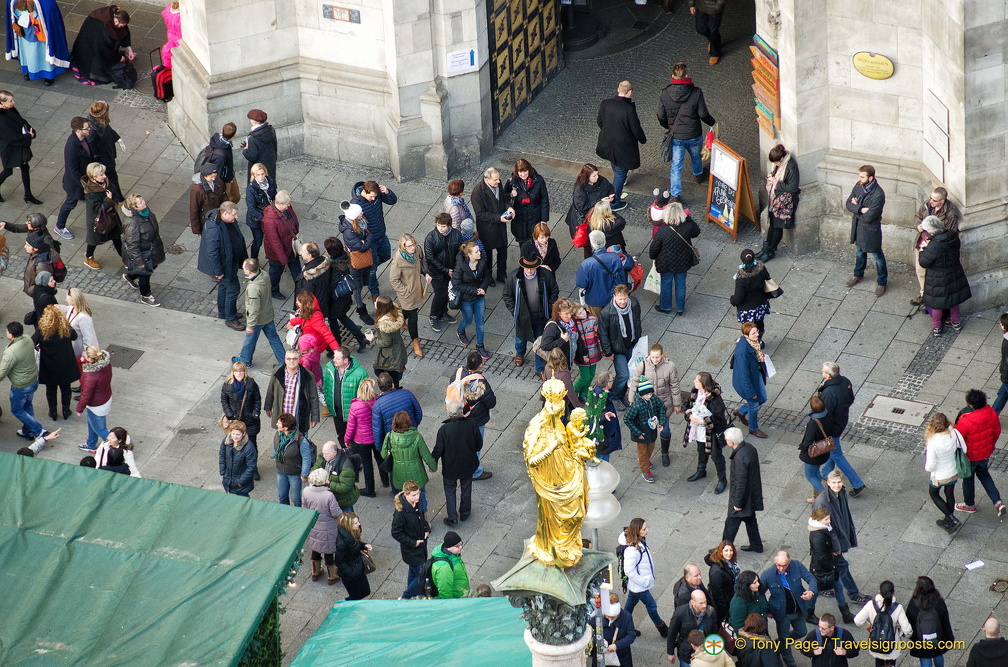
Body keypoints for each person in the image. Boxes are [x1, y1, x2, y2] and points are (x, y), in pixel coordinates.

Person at [811, 471, 871, 620]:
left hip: (834, 540)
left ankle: (820, 595)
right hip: (828, 544)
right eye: (834, 482)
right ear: (828, 483)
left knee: (829, 572)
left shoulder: (839, 494)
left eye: (839, 482)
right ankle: (853, 594)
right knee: (840, 567)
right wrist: (836, 547)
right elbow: (823, 527)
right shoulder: (823, 501)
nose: (837, 485)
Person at [657, 62, 717, 201]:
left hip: (676, 135)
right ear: (686, 76)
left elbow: (660, 115)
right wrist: (712, 123)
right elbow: (703, 114)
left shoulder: (665, 93)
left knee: (676, 166)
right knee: (696, 156)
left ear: (672, 76)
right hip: (694, 133)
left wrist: (669, 126)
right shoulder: (696, 92)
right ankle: (698, 175)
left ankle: (675, 195)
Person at [595, 80, 647, 211]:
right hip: (623, 148)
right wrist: (643, 139)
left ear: (618, 89)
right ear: (630, 92)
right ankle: (614, 203)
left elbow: (599, 121)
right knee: (620, 172)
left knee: (615, 164)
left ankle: (619, 183)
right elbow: (636, 129)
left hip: (607, 144)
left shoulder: (605, 103)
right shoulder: (629, 109)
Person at [198, 202, 248, 329]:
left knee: (224, 287)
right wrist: (218, 271)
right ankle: (230, 318)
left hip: (230, 261)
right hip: (225, 265)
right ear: (224, 213)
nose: (236, 217)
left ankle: (223, 311)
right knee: (233, 289)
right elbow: (212, 253)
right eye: (234, 214)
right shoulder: (213, 228)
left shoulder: (226, 221)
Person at [954, 389, 1005, 516]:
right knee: (984, 476)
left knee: (968, 479)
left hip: (970, 456)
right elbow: (996, 432)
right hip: (985, 454)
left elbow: (956, 439)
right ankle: (998, 502)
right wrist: (990, 446)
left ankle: (969, 505)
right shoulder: (992, 413)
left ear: (970, 404)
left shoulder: (965, 420)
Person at [629, 344, 682, 465]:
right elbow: (635, 381)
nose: (655, 360)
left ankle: (664, 453)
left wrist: (677, 404)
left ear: (662, 355)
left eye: (657, 357)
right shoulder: (643, 365)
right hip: (647, 405)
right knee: (647, 431)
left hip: (664, 404)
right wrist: (631, 398)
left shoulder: (670, 366)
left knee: (665, 431)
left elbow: (675, 386)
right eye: (653, 357)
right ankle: (645, 456)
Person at [816, 362, 864, 495]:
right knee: (832, 451)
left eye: (823, 371)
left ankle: (857, 484)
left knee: (836, 454)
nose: (821, 371)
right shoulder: (845, 382)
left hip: (832, 428)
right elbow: (851, 399)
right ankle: (825, 473)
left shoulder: (829, 393)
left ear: (829, 376)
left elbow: (826, 414)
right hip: (841, 421)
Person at [918, 215, 971, 336]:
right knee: (953, 300)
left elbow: (924, 262)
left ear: (930, 231)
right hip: (954, 272)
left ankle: (937, 328)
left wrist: (923, 252)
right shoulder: (953, 235)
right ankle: (956, 322)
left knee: (936, 304)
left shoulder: (934, 245)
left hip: (937, 276)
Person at [504, 254, 558, 373]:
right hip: (522, 315)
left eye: (532, 268)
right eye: (527, 268)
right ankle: (519, 354)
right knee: (520, 338)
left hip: (540, 315)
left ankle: (539, 369)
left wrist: (549, 307)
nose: (529, 271)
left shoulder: (545, 275)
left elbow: (554, 290)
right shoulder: (514, 277)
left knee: (540, 341)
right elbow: (507, 295)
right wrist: (514, 311)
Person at [762, 551, 817, 667]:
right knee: (785, 640)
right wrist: (767, 610)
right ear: (775, 563)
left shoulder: (796, 565)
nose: (781, 568)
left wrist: (811, 591)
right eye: (779, 565)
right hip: (782, 614)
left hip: (798, 609)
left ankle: (781, 643)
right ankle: (790, 662)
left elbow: (811, 578)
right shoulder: (767, 575)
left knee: (802, 631)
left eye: (785, 565)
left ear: (789, 562)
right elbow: (760, 595)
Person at [432, 400, 482, 526]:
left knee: (450, 490)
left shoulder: (444, 430)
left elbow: (438, 449)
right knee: (466, 487)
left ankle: (452, 518)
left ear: (449, 413)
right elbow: (478, 444)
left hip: (450, 467)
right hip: (468, 464)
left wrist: (433, 464)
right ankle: (465, 513)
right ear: (462, 412)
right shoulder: (471, 425)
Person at [449, 351, 496, 481]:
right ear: (480, 365)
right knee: (475, 446)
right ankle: (475, 472)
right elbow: (491, 402)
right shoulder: (480, 382)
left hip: (458, 415)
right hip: (475, 419)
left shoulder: (457, 374)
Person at [618, 518, 668, 637]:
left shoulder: (638, 543)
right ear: (637, 531)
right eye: (644, 529)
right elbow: (629, 571)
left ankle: (623, 627)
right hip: (640, 586)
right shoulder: (632, 550)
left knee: (630, 604)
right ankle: (663, 629)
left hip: (637, 585)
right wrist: (643, 582)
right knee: (651, 606)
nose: (647, 531)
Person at [912, 187, 960, 307]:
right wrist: (918, 226)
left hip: (937, 247)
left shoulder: (950, 214)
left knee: (934, 278)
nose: (931, 201)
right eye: (930, 198)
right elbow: (917, 217)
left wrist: (934, 239)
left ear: (942, 201)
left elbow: (950, 233)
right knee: (920, 271)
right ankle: (923, 294)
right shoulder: (927, 205)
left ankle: (932, 303)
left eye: (934, 200)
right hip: (922, 243)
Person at [234, 258, 286, 367]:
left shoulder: (253, 288)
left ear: (248, 271)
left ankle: (245, 361)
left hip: (258, 320)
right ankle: (284, 362)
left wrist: (250, 325)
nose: (243, 269)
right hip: (268, 314)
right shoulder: (264, 275)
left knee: (250, 341)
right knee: (274, 339)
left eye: (244, 268)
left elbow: (254, 309)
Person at [381, 410, 437, 511]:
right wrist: (433, 467)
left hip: (399, 473)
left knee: (403, 498)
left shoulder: (390, 436)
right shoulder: (416, 436)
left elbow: (383, 454)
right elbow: (426, 455)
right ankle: (423, 520)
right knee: (421, 497)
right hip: (416, 473)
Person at [650, 202, 700, 314]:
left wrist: (653, 257)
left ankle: (665, 307)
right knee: (681, 284)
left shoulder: (663, 230)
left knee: (666, 284)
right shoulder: (688, 227)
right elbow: (697, 231)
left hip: (666, 262)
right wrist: (689, 219)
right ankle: (680, 308)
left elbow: (654, 248)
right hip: (683, 261)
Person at [845, 164, 887, 297]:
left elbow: (870, 216)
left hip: (870, 229)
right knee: (859, 251)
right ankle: (858, 274)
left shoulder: (878, 194)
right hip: (858, 226)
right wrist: (860, 208)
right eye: (859, 176)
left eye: (862, 176)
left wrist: (856, 206)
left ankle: (882, 282)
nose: (859, 178)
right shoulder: (859, 185)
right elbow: (848, 203)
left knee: (877, 256)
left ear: (871, 178)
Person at [5, 0, 69, 86]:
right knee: (27, 50)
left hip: (40, 29)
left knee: (43, 50)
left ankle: (49, 75)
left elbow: (48, 7)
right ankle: (29, 70)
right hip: (23, 27)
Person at [598, 283, 642, 410]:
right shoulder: (607, 312)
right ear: (614, 297)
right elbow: (603, 333)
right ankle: (615, 396)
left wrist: (638, 336)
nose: (623, 302)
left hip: (632, 343)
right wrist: (608, 352)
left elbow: (637, 321)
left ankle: (622, 393)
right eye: (620, 299)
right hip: (617, 349)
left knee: (631, 371)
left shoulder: (633, 303)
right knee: (623, 374)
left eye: (624, 298)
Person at [684, 371, 729, 491]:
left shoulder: (715, 400)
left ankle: (722, 480)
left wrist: (704, 422)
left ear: (703, 384)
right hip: (698, 430)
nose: (694, 382)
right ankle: (701, 471)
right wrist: (690, 416)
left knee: (716, 455)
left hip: (711, 433)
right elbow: (687, 406)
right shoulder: (695, 392)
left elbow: (720, 420)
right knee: (701, 450)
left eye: (697, 381)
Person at [755, 143, 800, 262]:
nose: (774, 165)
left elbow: (793, 187)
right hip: (775, 198)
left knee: (777, 226)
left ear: (781, 159)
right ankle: (766, 248)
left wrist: (776, 183)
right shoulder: (781, 164)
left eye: (776, 162)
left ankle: (770, 251)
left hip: (783, 201)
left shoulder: (790, 167)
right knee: (772, 225)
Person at [351, 179, 396, 298]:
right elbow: (354, 225)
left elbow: (392, 201)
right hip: (370, 240)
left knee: (386, 255)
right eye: (372, 196)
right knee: (373, 269)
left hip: (381, 234)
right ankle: (374, 291)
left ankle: (367, 271)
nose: (374, 199)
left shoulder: (377, 195)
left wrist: (387, 192)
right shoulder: (356, 205)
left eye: (376, 196)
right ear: (365, 192)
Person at [33, 305, 78, 421]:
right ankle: (66, 410)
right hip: (65, 363)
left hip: (49, 364)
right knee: (65, 387)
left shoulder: (42, 330)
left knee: (51, 389)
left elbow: (32, 342)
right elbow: (75, 336)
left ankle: (53, 411)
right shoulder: (65, 327)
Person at [70, 5, 134, 87]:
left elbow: (124, 32)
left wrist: (129, 48)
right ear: (116, 21)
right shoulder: (100, 27)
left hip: (100, 47)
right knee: (102, 76)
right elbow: (102, 49)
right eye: (120, 25)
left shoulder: (116, 17)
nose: (121, 27)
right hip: (90, 51)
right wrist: (118, 58)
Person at [722, 427, 764, 551]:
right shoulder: (749, 448)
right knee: (750, 519)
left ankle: (723, 550)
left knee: (731, 524)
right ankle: (757, 545)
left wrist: (738, 503)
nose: (725, 441)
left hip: (742, 498)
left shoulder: (740, 457)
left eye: (727, 439)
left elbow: (741, 482)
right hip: (751, 495)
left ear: (732, 442)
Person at [0, 321, 43, 440]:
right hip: (33, 380)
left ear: (11, 335)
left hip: (21, 385)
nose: (6, 333)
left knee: (17, 410)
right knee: (27, 405)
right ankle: (28, 431)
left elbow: (2, 372)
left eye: (7, 332)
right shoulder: (28, 339)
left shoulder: (11, 352)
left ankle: (39, 431)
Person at [120, 193, 166, 306]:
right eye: (140, 202)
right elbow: (132, 245)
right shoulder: (132, 223)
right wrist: (139, 262)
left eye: (142, 200)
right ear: (134, 207)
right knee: (145, 273)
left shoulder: (146, 212)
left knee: (153, 265)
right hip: (142, 253)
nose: (144, 202)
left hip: (152, 247)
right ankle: (145, 295)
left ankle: (130, 276)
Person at [388, 233, 430, 358]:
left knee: (409, 310)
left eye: (413, 244)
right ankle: (415, 342)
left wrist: (426, 273)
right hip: (407, 294)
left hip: (417, 289)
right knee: (414, 317)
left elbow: (422, 260)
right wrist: (405, 291)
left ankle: (398, 319)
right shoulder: (398, 261)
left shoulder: (417, 250)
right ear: (403, 247)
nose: (412, 247)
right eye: (409, 246)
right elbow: (393, 279)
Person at [853, 580, 913, 667]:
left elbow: (858, 620)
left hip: (877, 642)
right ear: (893, 592)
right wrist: (904, 634)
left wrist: (868, 626)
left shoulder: (870, 604)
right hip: (892, 645)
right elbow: (907, 630)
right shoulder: (898, 608)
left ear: (879, 591)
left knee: (878, 661)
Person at [578, 230, 635, 318]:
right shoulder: (615, 257)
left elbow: (581, 283)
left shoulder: (586, 264)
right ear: (605, 242)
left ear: (592, 245)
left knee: (597, 322)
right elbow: (621, 276)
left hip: (595, 299)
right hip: (612, 296)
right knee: (613, 320)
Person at [220, 359, 262, 478]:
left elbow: (257, 399)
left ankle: (253, 468)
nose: (239, 373)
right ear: (233, 372)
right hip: (235, 421)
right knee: (235, 443)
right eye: (236, 371)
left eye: (241, 371)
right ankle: (238, 467)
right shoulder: (228, 385)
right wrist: (229, 414)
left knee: (252, 445)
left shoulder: (251, 384)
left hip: (250, 420)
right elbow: (224, 400)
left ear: (245, 372)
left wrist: (255, 414)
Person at [924, 412, 964, 534]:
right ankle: (948, 520)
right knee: (949, 494)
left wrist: (928, 469)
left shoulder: (933, 441)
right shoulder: (955, 433)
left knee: (934, 494)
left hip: (940, 475)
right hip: (953, 471)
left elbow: (930, 465)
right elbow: (964, 449)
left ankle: (952, 519)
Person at [302, 467, 344, 584]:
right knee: (329, 552)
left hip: (314, 527)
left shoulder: (306, 491)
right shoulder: (328, 495)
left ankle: (315, 572)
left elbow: (305, 509)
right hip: (328, 528)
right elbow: (336, 513)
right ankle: (332, 576)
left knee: (315, 549)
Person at [470, 166, 510, 285]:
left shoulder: (498, 184)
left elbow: (502, 199)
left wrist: (509, 208)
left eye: (498, 179)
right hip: (487, 228)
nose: (498, 181)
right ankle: (488, 276)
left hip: (500, 225)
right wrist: (498, 218)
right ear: (487, 179)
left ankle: (501, 274)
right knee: (487, 252)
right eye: (495, 180)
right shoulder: (477, 192)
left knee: (503, 250)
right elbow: (480, 213)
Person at [264, 349, 320, 434]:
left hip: (298, 417)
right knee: (279, 443)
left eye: (294, 359)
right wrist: (268, 407)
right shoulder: (277, 372)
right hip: (281, 416)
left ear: (299, 359)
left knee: (299, 444)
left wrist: (315, 417)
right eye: (289, 359)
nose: (291, 361)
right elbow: (270, 390)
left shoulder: (308, 375)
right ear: (285, 359)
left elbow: (313, 397)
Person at [390, 480, 430, 599]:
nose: (417, 497)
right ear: (406, 495)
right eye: (414, 495)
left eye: (418, 493)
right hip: (412, 548)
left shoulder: (418, 503)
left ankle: (411, 593)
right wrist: (413, 543)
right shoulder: (400, 512)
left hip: (421, 545)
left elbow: (422, 518)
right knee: (422, 574)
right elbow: (395, 533)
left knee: (414, 572)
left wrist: (427, 528)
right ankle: (406, 596)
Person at [371, 372, 422, 463]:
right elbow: (418, 412)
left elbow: (377, 430)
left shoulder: (377, 405)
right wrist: (413, 425)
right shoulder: (407, 394)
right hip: (411, 434)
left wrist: (380, 448)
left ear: (379, 388)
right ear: (393, 384)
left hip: (393, 441)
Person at [80, 161, 123, 269]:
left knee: (116, 237)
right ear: (94, 177)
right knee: (94, 241)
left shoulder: (106, 182)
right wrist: (109, 200)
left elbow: (116, 194)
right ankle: (88, 257)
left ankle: (125, 258)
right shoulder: (91, 192)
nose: (105, 176)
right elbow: (98, 208)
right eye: (101, 174)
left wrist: (113, 200)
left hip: (110, 216)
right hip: (98, 220)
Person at [0, 91, 42, 203]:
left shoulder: (9, 110)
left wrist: (29, 129)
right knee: (8, 171)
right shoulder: (2, 118)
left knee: (24, 167)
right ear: (2, 103)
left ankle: (28, 194)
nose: (13, 102)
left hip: (17, 146)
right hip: (10, 148)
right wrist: (28, 136)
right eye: (10, 101)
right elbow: (11, 137)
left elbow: (21, 121)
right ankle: (28, 195)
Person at [338, 202, 375, 325]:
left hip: (362, 261)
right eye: (360, 213)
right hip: (356, 263)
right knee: (357, 287)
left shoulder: (359, 223)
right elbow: (362, 247)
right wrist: (369, 237)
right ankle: (361, 309)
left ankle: (350, 296)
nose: (362, 213)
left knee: (364, 281)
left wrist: (366, 240)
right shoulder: (349, 231)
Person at [452, 240, 490, 358]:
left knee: (480, 322)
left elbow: (486, 276)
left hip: (479, 297)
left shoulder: (482, 262)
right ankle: (460, 330)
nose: (480, 253)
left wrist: (483, 288)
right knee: (468, 320)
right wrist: (474, 291)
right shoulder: (461, 266)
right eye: (477, 252)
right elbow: (456, 284)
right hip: (466, 299)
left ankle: (480, 345)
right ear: (470, 255)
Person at [55, 116, 92, 239]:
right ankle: (59, 227)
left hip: (85, 179)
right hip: (76, 184)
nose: (89, 130)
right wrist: (85, 184)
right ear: (78, 131)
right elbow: (73, 170)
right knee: (70, 203)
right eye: (87, 128)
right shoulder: (72, 147)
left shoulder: (82, 139)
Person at [624, 376, 666, 484]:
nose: (649, 396)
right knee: (643, 451)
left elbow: (662, 408)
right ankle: (645, 469)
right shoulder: (637, 405)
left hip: (651, 430)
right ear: (641, 394)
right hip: (641, 432)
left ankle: (646, 461)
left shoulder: (654, 399)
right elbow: (627, 419)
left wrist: (661, 422)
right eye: (647, 394)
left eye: (651, 393)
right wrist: (637, 432)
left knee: (651, 447)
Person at [321, 347, 367, 446]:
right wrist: (328, 401)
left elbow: (365, 396)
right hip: (336, 410)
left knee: (355, 437)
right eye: (334, 357)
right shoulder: (330, 367)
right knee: (341, 434)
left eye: (337, 359)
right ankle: (346, 453)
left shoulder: (361, 373)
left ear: (345, 360)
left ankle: (356, 457)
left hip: (352, 414)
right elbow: (326, 386)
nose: (334, 360)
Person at [424, 213, 462, 332]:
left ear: (449, 225)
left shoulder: (456, 234)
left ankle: (443, 313)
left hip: (451, 271)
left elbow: (459, 253)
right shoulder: (430, 237)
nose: (440, 228)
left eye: (443, 226)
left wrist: (455, 270)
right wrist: (446, 270)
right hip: (437, 272)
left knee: (447, 293)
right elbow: (430, 257)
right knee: (440, 294)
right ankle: (434, 315)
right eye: (439, 225)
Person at [261, 190, 302, 299]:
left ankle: (302, 290)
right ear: (279, 204)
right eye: (287, 204)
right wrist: (283, 259)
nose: (289, 206)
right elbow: (275, 242)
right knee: (275, 272)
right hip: (277, 253)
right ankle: (273, 291)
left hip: (290, 246)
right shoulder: (270, 221)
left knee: (297, 269)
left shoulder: (285, 209)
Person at [906, 576, 954, 667]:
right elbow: (945, 622)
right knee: (938, 655)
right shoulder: (939, 602)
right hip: (938, 637)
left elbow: (909, 622)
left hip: (920, 640)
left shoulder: (913, 603)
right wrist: (950, 638)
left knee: (925, 658)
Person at [732, 322, 768, 439]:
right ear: (745, 335)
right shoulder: (742, 352)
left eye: (757, 331)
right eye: (754, 333)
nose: (757, 334)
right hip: (747, 381)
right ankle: (753, 428)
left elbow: (758, 347)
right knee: (754, 402)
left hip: (755, 373)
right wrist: (750, 393)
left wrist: (760, 344)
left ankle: (741, 411)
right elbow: (743, 376)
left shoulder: (753, 342)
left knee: (762, 398)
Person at [505, 159, 550, 251]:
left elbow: (544, 199)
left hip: (535, 217)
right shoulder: (512, 181)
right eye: (520, 172)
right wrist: (510, 195)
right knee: (524, 247)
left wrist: (544, 219)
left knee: (536, 245)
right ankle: (525, 264)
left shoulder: (538, 180)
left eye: (525, 171)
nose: (523, 174)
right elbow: (504, 197)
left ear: (529, 170)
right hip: (520, 219)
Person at [346, 378, 380, 496]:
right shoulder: (377, 401)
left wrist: (347, 440)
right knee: (380, 459)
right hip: (376, 436)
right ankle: (386, 480)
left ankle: (370, 489)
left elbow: (351, 426)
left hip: (362, 440)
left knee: (367, 464)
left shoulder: (355, 406)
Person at [666, 589, 718, 666]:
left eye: (705, 602)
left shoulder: (710, 612)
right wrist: (670, 652)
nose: (704, 605)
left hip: (705, 652)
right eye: (701, 603)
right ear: (693, 602)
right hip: (687, 653)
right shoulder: (680, 613)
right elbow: (672, 633)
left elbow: (714, 630)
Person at [271, 412, 312, 507]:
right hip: (281, 470)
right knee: (282, 496)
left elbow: (306, 458)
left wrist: (304, 474)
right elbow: (275, 446)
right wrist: (275, 458)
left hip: (294, 472)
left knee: (296, 499)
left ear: (286, 427)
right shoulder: (278, 434)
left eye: (279, 423)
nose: (277, 424)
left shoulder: (300, 440)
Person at [75, 345, 112, 452]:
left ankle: (118, 447)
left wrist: (79, 408)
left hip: (96, 404)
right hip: (105, 397)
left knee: (100, 429)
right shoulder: (105, 364)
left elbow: (86, 394)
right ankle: (91, 443)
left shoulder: (90, 375)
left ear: (90, 359)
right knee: (93, 424)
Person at [565, 163, 614, 240]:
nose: (597, 177)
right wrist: (600, 201)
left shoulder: (602, 180)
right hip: (589, 220)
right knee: (589, 242)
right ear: (587, 177)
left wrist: (611, 195)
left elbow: (610, 188)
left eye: (597, 174)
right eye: (594, 176)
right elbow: (582, 207)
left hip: (602, 214)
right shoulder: (580, 190)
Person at [365, 295, 406, 387]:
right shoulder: (393, 313)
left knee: (386, 374)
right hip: (397, 350)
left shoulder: (384, 325)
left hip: (390, 355)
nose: (374, 303)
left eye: (376, 302)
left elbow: (386, 342)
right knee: (394, 374)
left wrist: (372, 339)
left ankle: (393, 391)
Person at [288, 290, 339, 363]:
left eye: (298, 301)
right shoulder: (309, 310)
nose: (296, 303)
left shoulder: (315, 319)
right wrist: (292, 322)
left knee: (308, 364)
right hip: (309, 343)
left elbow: (328, 335)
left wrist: (337, 351)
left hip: (313, 346)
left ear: (304, 304)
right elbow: (303, 319)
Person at [807, 507, 839, 623]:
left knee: (837, 587)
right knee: (814, 590)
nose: (829, 521)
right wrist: (831, 567)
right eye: (826, 519)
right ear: (819, 520)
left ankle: (844, 610)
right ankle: (809, 612)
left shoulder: (821, 529)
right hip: (822, 569)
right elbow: (821, 556)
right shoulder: (818, 536)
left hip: (822, 566)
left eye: (829, 518)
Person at [86, 101, 122, 202]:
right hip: (104, 158)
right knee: (112, 179)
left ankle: (117, 198)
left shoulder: (100, 123)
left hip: (108, 153)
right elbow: (89, 146)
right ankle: (119, 199)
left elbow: (109, 130)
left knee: (112, 178)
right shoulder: (94, 130)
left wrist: (118, 139)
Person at [731, 248, 771, 339]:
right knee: (759, 323)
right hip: (761, 304)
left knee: (749, 329)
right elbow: (767, 278)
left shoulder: (741, 278)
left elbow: (738, 298)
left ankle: (752, 342)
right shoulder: (761, 268)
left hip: (747, 310)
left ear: (742, 260)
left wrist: (732, 300)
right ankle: (759, 338)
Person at [799, 396, 832, 502]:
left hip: (813, 454)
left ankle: (827, 497)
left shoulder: (813, 423)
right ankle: (817, 496)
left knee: (810, 476)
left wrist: (802, 446)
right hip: (824, 450)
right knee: (816, 473)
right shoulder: (828, 415)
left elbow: (808, 441)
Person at [312, 440, 360, 512]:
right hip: (330, 499)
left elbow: (345, 487)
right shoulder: (323, 458)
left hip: (343, 501)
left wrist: (329, 483)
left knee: (347, 521)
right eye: (323, 453)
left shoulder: (346, 466)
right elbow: (315, 470)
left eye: (326, 454)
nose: (324, 456)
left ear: (334, 453)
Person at [334, 512, 371, 600]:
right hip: (350, 574)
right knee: (356, 597)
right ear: (348, 525)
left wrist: (364, 545)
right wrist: (351, 573)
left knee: (366, 591)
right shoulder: (342, 544)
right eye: (356, 523)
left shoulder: (352, 533)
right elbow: (339, 561)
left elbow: (356, 544)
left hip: (358, 568)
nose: (359, 524)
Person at [588, 370, 622, 461]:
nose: (613, 381)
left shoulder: (597, 392)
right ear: (607, 383)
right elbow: (594, 417)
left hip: (603, 437)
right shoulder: (601, 398)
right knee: (602, 463)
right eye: (612, 380)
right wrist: (604, 415)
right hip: (602, 440)